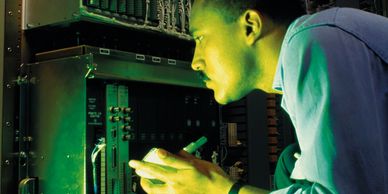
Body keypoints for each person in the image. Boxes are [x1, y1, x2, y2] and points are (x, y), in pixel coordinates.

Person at [129, 0, 388, 193]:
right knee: (289, 164)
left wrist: (217, 189)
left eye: (200, 37)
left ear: (250, 26)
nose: (195, 62)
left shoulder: (314, 40)